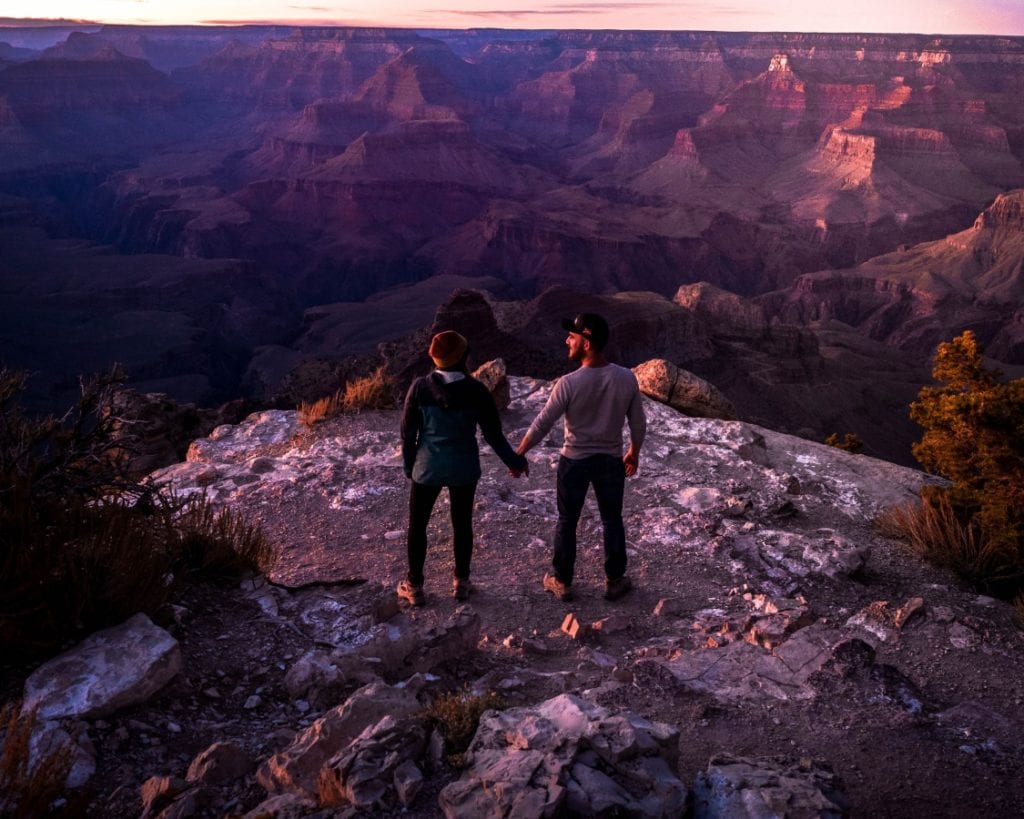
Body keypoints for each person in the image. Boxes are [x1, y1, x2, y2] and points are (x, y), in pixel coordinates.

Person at [513, 312, 646, 602]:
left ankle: (562, 580)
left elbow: (542, 422)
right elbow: (638, 423)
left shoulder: (568, 383)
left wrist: (520, 454)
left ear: (586, 343)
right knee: (612, 520)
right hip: (610, 460)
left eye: (572, 337)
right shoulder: (626, 378)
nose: (566, 341)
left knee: (567, 520)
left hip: (574, 461)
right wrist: (633, 453)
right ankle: (614, 579)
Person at [399, 330, 527, 606]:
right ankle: (461, 581)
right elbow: (493, 436)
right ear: (464, 358)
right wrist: (515, 462)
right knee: (462, 523)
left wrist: (410, 468)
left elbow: (408, 435)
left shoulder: (420, 388)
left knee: (418, 525)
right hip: (463, 467)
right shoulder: (477, 391)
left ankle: (414, 585)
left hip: (427, 467)